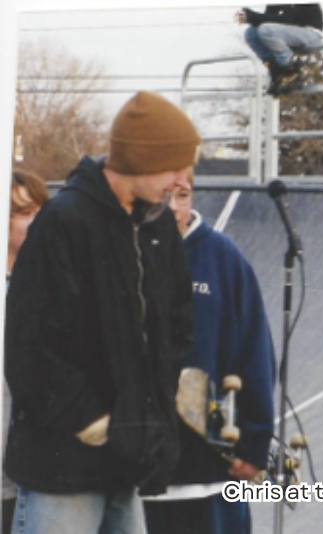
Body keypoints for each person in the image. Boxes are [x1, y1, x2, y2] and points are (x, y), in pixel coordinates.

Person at [4, 91, 199, 534]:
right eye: (173, 165)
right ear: (139, 159)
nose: (180, 179)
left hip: (130, 456)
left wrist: (151, 419)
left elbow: (176, 327)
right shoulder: (65, 222)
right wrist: (93, 422)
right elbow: (28, 346)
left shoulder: (158, 227)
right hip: (65, 461)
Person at [143, 171, 276, 534]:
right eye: (163, 195)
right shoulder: (122, 252)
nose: (173, 207)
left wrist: (254, 443)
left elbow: (256, 353)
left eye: (183, 195)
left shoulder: (222, 257)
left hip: (210, 472)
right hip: (140, 471)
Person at [3, 169, 49, 534]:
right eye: (24, 212)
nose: (36, 223)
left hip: (24, 466)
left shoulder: (46, 284)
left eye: (39, 211)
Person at [237, 3, 323, 96]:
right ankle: (275, 69)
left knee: (266, 30)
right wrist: (251, 17)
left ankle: (291, 70)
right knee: (251, 33)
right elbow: (267, 18)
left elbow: (288, 19)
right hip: (291, 32)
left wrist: (253, 17)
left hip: (311, 34)